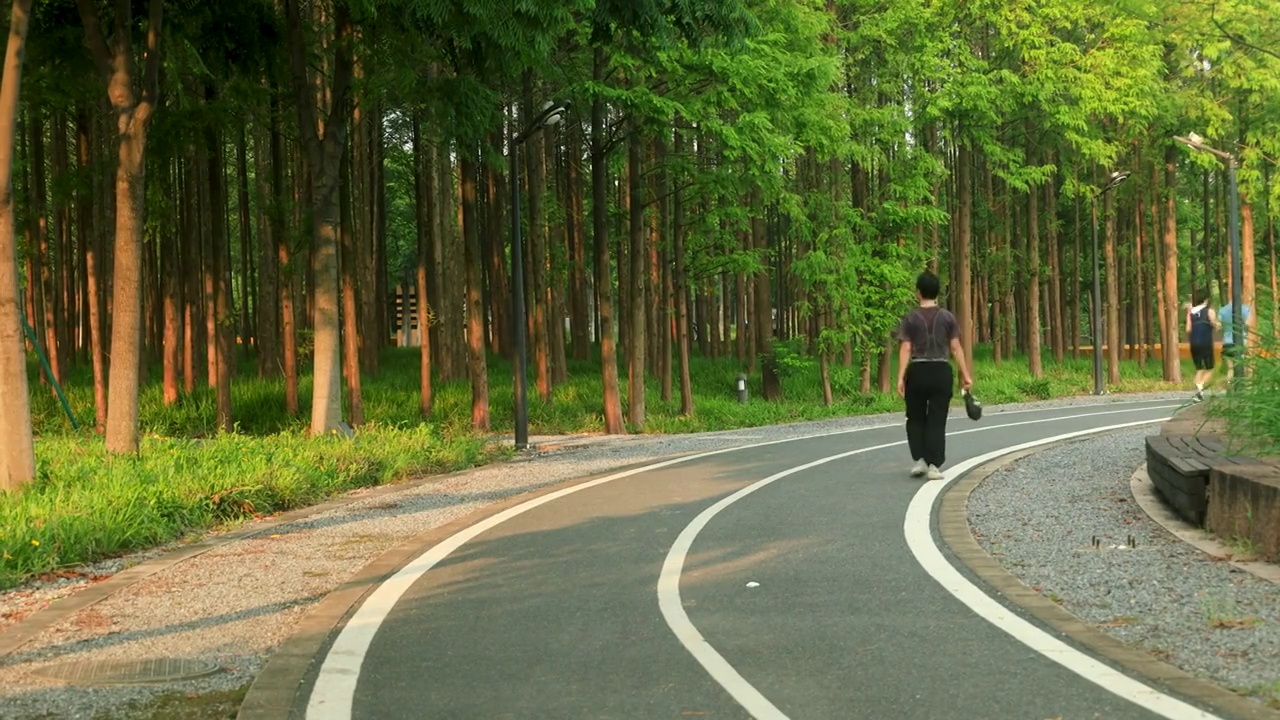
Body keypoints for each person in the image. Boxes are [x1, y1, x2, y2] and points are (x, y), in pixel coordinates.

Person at [896, 271, 973, 480]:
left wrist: (900, 377)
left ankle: (919, 460)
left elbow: (905, 348)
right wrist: (965, 375)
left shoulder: (911, 318)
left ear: (918, 292)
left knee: (915, 417)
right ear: (937, 292)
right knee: (937, 419)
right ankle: (934, 466)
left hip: (918, 371)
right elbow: (956, 348)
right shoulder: (947, 317)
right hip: (941, 371)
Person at [1185, 292, 1219, 401]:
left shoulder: (1191, 313)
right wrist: (1217, 325)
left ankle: (1199, 390)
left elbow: (1188, 329)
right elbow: (1214, 323)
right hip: (1205, 341)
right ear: (1206, 300)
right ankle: (1200, 386)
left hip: (1194, 342)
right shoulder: (1209, 311)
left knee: (1199, 368)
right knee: (1210, 367)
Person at [1219, 300, 1251, 376]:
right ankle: (1246, 384)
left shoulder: (1222, 310)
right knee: (1244, 364)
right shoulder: (1245, 308)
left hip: (1227, 341)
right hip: (1241, 340)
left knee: (1230, 368)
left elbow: (1219, 325)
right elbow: (1248, 324)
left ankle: (1230, 385)